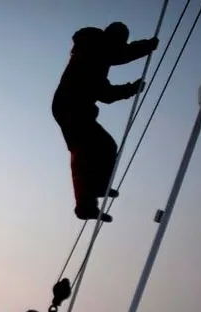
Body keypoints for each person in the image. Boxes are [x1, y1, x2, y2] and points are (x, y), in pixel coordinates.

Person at [52, 22, 159, 223]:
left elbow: (122, 54)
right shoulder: (93, 55)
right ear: (113, 39)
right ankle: (86, 204)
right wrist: (131, 89)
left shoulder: (97, 50)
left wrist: (147, 46)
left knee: (102, 147)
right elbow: (105, 93)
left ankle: (96, 191)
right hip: (71, 108)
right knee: (86, 151)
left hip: (74, 108)